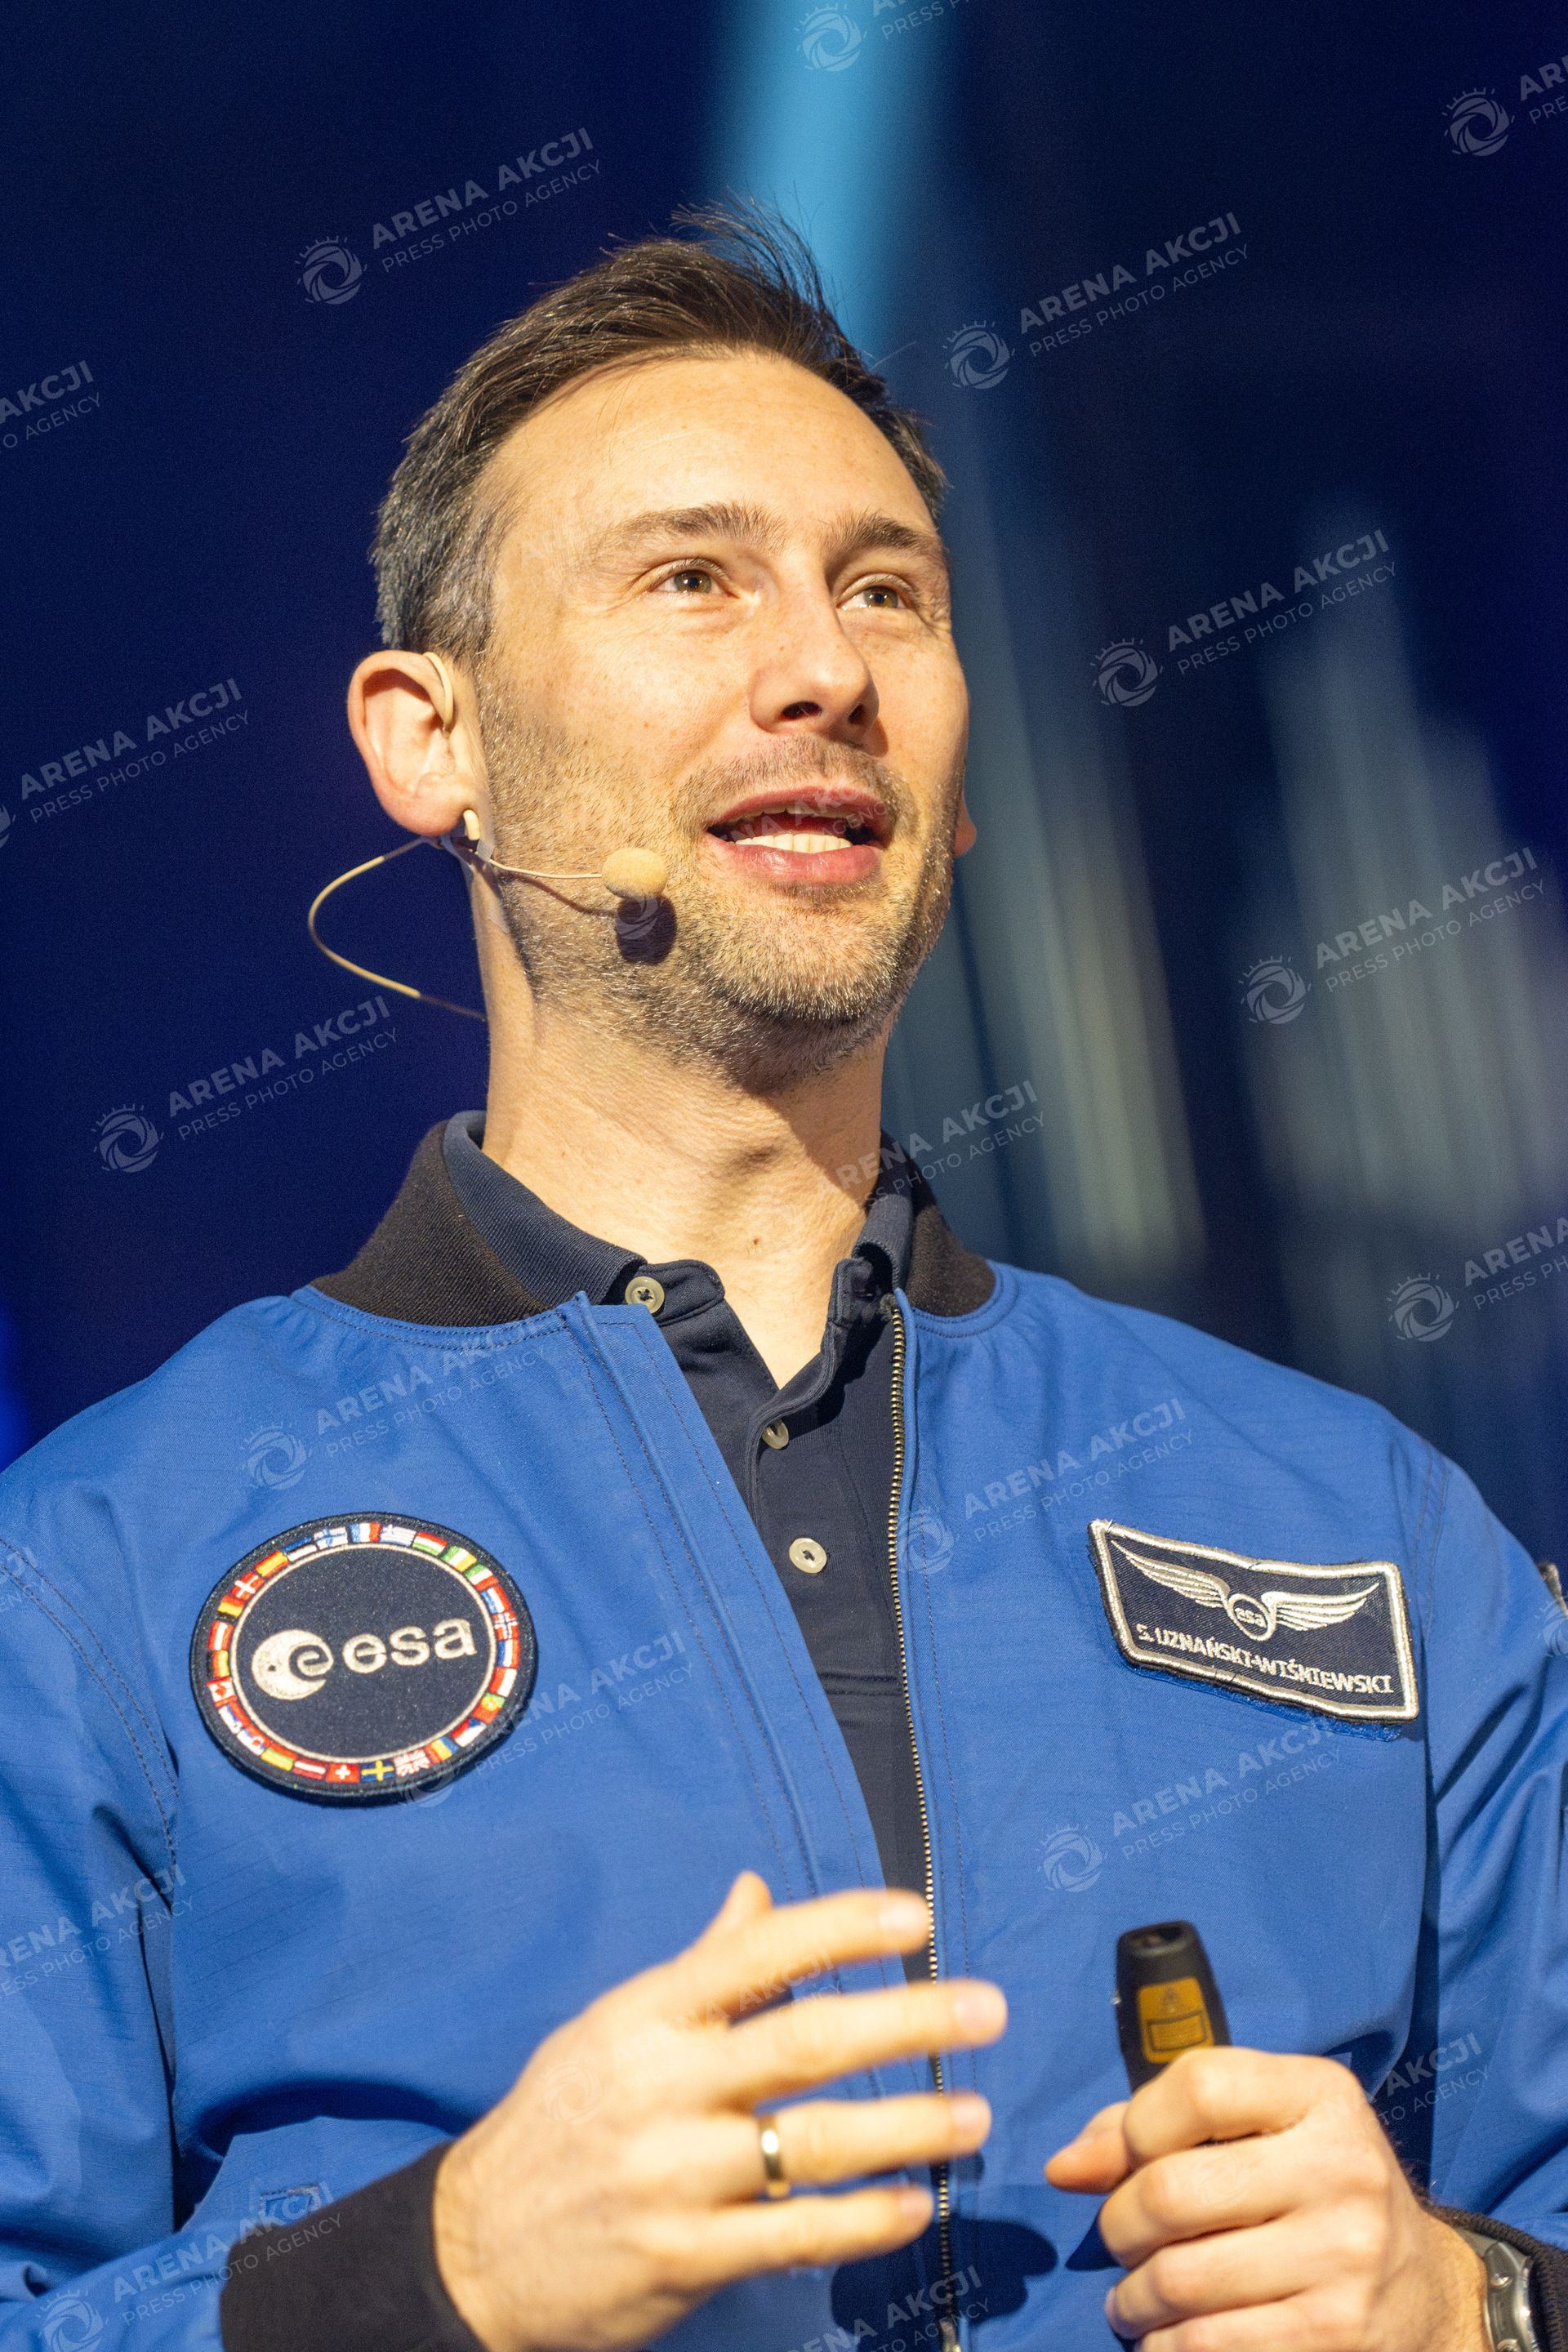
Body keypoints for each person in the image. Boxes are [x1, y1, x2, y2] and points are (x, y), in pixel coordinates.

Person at [0, 205, 1563, 2352]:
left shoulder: (1367, 1528)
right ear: (430, 737)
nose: (826, 667)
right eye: (693, 578)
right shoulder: (91, 1572)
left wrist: (1472, 2299)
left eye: (887, 592)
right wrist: (431, 2278)